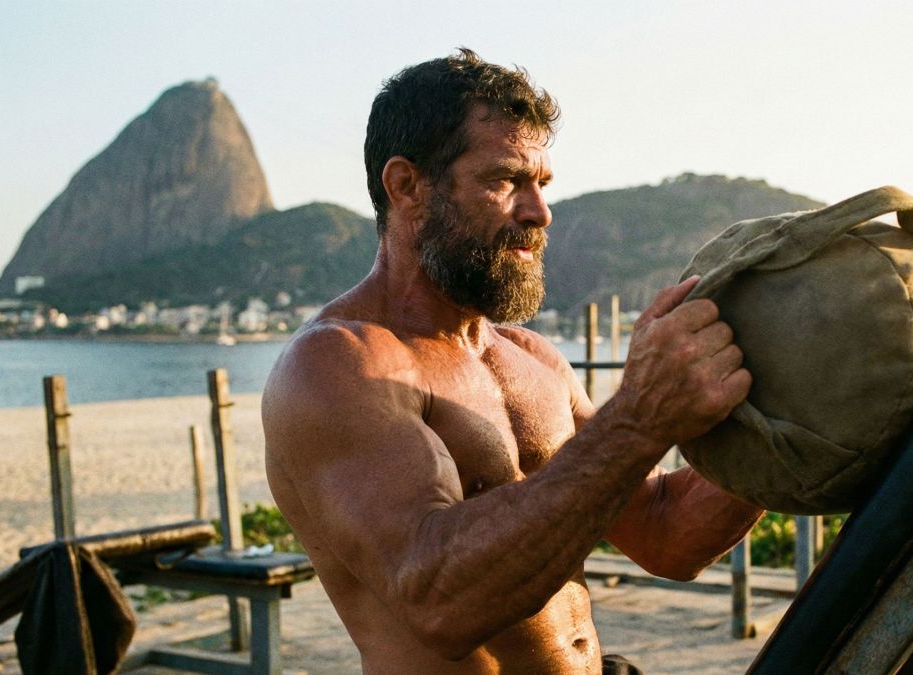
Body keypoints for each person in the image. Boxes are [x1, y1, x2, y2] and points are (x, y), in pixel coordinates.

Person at [263, 48, 764, 674]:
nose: (539, 212)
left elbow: (665, 534)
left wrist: (788, 401)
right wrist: (638, 418)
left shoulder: (533, 359)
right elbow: (438, 602)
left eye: (542, 184)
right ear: (407, 186)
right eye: (505, 180)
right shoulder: (339, 364)